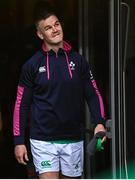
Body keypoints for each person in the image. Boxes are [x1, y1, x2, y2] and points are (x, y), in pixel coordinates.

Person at [13, 7, 106, 179]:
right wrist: (19, 141)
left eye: (56, 24)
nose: (55, 29)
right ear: (40, 35)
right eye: (48, 28)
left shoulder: (79, 61)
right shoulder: (31, 65)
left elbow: (93, 93)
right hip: (43, 140)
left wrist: (99, 122)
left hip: (73, 139)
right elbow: (21, 104)